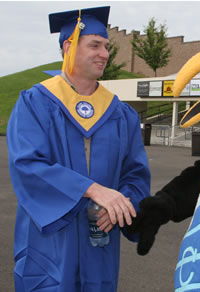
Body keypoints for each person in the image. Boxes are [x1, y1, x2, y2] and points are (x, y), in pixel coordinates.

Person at [7, 6, 151, 291]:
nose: (104, 54)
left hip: (100, 239)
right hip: (49, 242)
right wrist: (94, 190)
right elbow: (27, 164)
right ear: (68, 46)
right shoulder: (36, 102)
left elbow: (136, 174)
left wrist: (121, 203)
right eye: (95, 45)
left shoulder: (121, 113)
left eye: (107, 47)